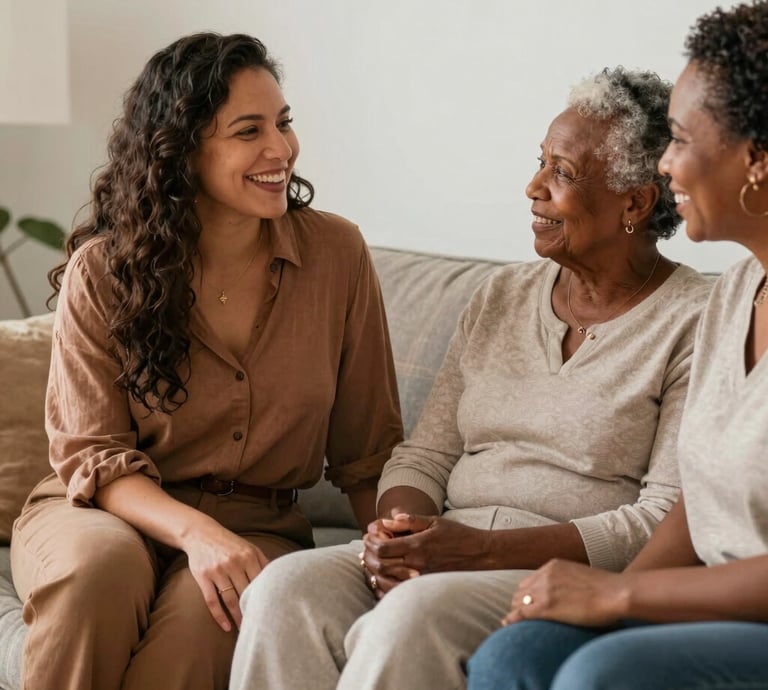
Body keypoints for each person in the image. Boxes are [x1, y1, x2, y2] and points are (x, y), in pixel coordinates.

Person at [228, 66, 712, 690]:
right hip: (442, 550)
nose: (533, 186)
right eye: (539, 161)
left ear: (636, 202)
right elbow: (426, 453)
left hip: (547, 568)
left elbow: (663, 518)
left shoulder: (694, 320)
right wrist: (397, 532)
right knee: (284, 586)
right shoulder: (502, 295)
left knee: (410, 617)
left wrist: (476, 551)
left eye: (561, 172)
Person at [9, 32, 402, 690]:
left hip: (257, 524)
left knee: (205, 624)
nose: (280, 150)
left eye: (282, 123)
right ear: (181, 152)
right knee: (98, 575)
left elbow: (368, 451)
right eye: (249, 131)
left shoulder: (336, 256)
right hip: (100, 512)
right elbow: (92, 457)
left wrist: (401, 575)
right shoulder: (103, 271)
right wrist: (197, 533)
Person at [466, 4, 768, 690]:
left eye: (682, 141)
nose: (664, 168)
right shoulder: (738, 292)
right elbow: (703, 503)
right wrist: (596, 599)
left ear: (755, 158)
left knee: (600, 675)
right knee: (516, 654)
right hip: (708, 602)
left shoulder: (689, 306)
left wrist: (621, 597)